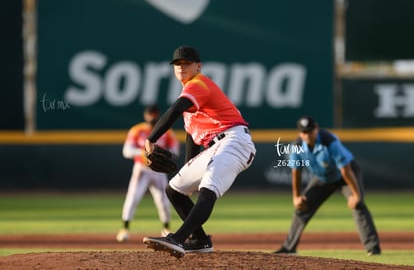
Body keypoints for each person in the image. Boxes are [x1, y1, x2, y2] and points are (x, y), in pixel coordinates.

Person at [142, 45, 256, 257]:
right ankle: (200, 240)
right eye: (177, 64)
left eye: (186, 63)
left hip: (234, 141)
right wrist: (189, 169)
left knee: (208, 189)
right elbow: (192, 138)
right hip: (217, 147)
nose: (181, 67)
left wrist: (151, 138)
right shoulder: (190, 95)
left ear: (198, 66)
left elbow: (175, 109)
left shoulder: (198, 84)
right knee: (174, 189)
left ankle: (177, 239)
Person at [274, 115, 381, 255]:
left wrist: (356, 195)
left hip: (346, 175)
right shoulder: (297, 146)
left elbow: (345, 170)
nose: (308, 135)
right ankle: (289, 248)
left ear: (316, 129)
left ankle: (373, 248)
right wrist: (297, 196)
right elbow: (296, 172)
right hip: (322, 178)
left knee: (358, 204)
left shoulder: (329, 141)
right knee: (302, 207)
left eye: (310, 131)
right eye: (304, 132)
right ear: (300, 133)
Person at [116, 105, 180, 242]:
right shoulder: (137, 130)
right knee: (133, 197)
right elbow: (126, 151)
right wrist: (142, 153)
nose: (152, 117)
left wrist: (164, 154)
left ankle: (166, 229)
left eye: (154, 114)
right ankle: (125, 228)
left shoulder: (166, 131)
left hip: (158, 170)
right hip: (141, 169)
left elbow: (175, 150)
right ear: (146, 115)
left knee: (163, 200)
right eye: (150, 114)